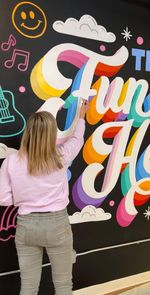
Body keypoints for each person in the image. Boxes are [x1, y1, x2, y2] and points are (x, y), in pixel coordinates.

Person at [0, 100, 88, 295]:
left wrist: (25, 196)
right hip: (57, 224)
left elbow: (4, 199)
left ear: (28, 132)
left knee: (29, 287)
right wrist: (81, 117)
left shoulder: (11, 161)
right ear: (52, 135)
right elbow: (77, 139)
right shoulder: (61, 156)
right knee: (63, 284)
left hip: (26, 225)